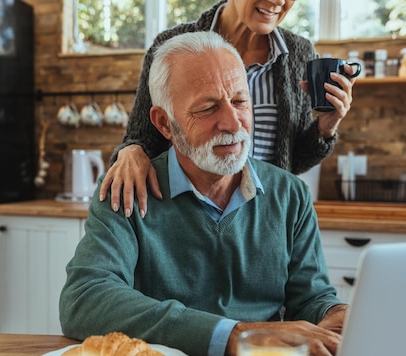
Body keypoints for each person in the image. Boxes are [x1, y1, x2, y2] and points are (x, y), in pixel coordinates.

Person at [60, 31, 346, 356]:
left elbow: (312, 298)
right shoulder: (126, 191)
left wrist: (334, 313)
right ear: (165, 123)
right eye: (208, 108)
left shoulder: (291, 195)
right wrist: (232, 335)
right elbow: (83, 300)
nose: (232, 123)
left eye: (240, 101)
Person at [100, 0, 357, 218]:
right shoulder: (173, 47)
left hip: (264, 221)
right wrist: (131, 150)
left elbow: (294, 161)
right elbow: (144, 137)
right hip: (185, 220)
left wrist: (326, 125)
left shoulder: (299, 53)